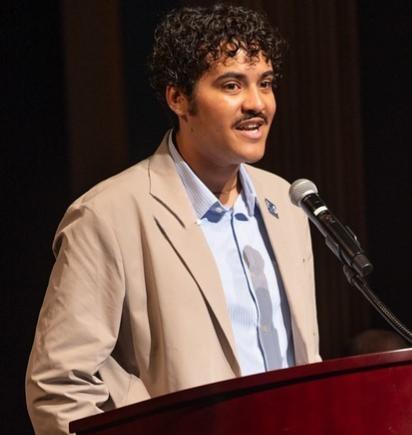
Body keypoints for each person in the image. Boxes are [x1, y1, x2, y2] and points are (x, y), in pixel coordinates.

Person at [26, 4, 320, 434]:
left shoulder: (287, 202)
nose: (257, 104)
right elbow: (58, 386)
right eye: (232, 85)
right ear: (178, 98)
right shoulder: (108, 215)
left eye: (266, 84)